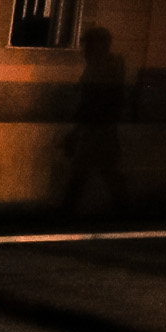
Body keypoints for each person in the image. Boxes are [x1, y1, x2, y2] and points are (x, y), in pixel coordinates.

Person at [63, 25, 130, 217]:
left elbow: (95, 101)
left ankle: (68, 210)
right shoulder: (103, 66)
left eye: (89, 45)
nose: (85, 50)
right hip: (100, 126)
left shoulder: (103, 67)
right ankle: (122, 209)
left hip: (98, 127)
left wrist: (78, 129)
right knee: (101, 169)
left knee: (88, 169)